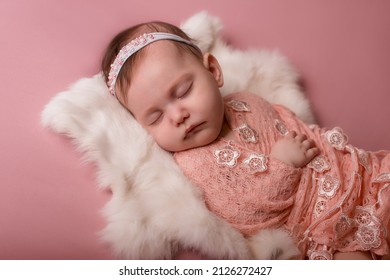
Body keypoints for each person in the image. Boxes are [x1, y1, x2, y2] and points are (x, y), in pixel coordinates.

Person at [101, 21, 390, 260]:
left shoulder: (247, 101)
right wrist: (282, 164)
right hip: (325, 230)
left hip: (359, 177)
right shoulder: (194, 162)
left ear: (213, 71)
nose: (178, 115)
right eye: (155, 117)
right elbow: (247, 213)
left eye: (184, 91)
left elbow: (299, 130)